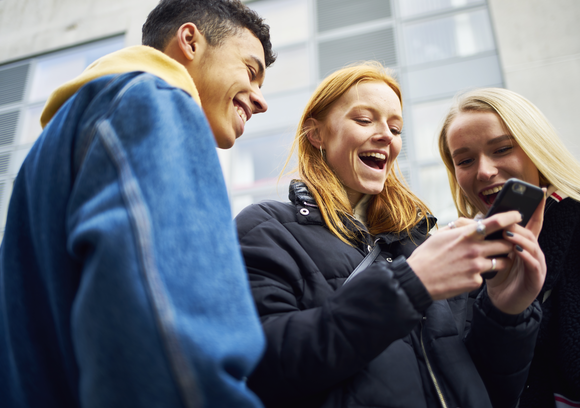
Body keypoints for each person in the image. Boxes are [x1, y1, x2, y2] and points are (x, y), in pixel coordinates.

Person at [0, 0, 275, 408]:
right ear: (190, 41)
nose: (260, 101)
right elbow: (169, 347)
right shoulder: (156, 104)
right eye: (250, 69)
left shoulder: (54, 151)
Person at [234, 62, 546, 408]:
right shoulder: (267, 229)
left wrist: (506, 312)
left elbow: (488, 390)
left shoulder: (425, 243)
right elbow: (262, 368)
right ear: (317, 134)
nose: (386, 135)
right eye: (365, 120)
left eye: (395, 127)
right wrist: (409, 285)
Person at [438, 87, 580, 408]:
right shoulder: (464, 263)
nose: (484, 171)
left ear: (539, 148)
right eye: (464, 160)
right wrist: (503, 313)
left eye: (502, 149)